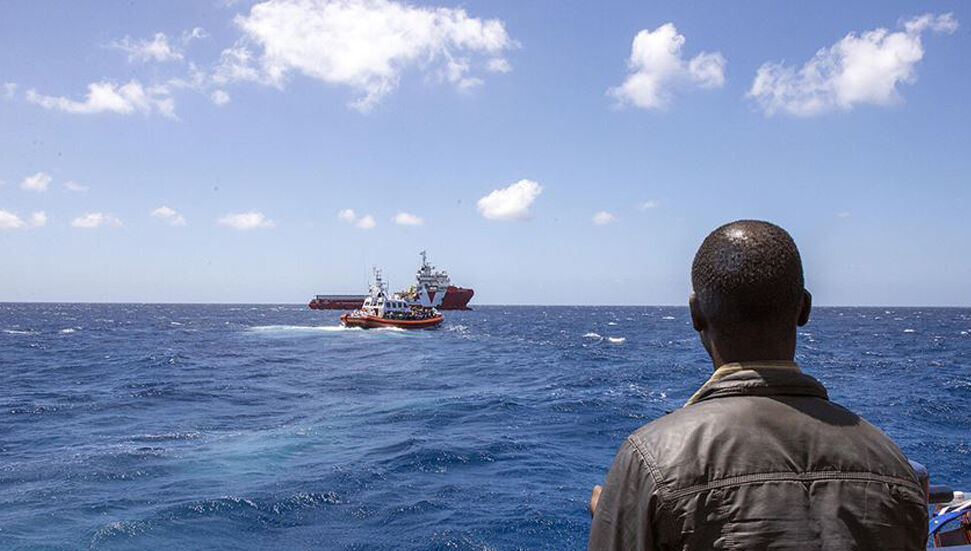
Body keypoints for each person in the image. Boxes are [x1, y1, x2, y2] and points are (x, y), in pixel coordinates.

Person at [588, 220, 928, 550]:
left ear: (696, 314)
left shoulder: (652, 460)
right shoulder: (893, 466)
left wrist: (621, 516)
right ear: (804, 308)